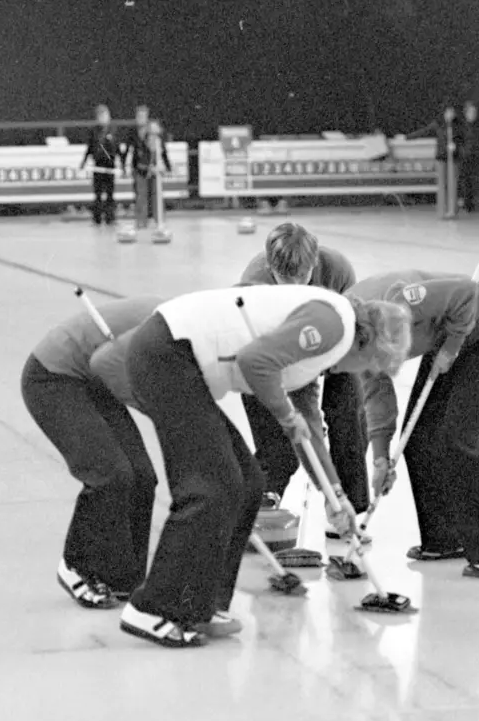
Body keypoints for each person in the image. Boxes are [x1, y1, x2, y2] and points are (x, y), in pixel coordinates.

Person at [89, 285, 411, 649]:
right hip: (168, 353)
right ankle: (153, 607)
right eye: (370, 368)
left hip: (179, 362)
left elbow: (309, 430)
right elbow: (255, 362)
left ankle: (199, 603)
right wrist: (286, 417)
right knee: (211, 486)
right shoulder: (333, 324)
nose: (362, 375)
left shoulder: (324, 349)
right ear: (367, 342)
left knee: (247, 482)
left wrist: (337, 495)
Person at [336, 270, 479, 579]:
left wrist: (452, 348)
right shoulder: (349, 338)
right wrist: (381, 459)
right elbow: (378, 399)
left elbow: (466, 292)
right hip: (448, 337)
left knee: (459, 439)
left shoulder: (399, 307)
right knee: (419, 439)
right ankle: (446, 538)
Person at [21, 296, 163, 608]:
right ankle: (77, 566)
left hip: (95, 378)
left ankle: (123, 577)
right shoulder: (169, 332)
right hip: (53, 377)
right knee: (109, 474)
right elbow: (120, 374)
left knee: (142, 476)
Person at [237, 223, 370, 541]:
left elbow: (355, 332)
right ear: (270, 268)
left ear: (314, 263)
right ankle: (266, 500)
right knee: (279, 440)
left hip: (336, 346)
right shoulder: (253, 285)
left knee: (348, 413)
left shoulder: (337, 270)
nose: (297, 286)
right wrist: (304, 425)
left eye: (304, 277)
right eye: (287, 280)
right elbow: (267, 361)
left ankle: (346, 503)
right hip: (273, 359)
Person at [79, 105, 123, 226]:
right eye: (100, 116)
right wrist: (83, 163)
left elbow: (118, 148)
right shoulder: (93, 131)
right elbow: (89, 148)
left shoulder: (113, 131)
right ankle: (97, 218)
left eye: (105, 115)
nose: (103, 118)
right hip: (98, 165)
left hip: (110, 165)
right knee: (97, 193)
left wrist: (122, 164)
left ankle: (110, 218)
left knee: (110, 193)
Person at [460, 101, 479, 213]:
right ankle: (468, 205)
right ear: (466, 113)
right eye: (470, 112)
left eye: (474, 112)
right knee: (466, 181)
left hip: (478, 155)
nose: (473, 114)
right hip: (466, 156)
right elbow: (460, 140)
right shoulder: (462, 127)